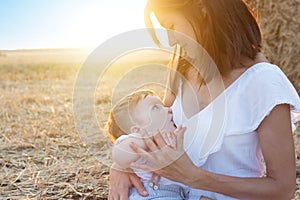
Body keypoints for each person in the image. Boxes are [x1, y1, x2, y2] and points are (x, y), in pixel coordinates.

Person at [108, 0, 300, 199]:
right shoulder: (181, 67)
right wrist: (122, 167)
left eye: (172, 27)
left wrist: (195, 177)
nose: (172, 40)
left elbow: (282, 189)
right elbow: (153, 129)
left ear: (202, 9)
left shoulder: (263, 81)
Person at [105, 89, 211, 199]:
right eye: (155, 108)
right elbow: (120, 155)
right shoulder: (139, 141)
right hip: (150, 193)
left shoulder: (178, 140)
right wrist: (148, 139)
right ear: (137, 130)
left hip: (181, 193)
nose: (169, 109)